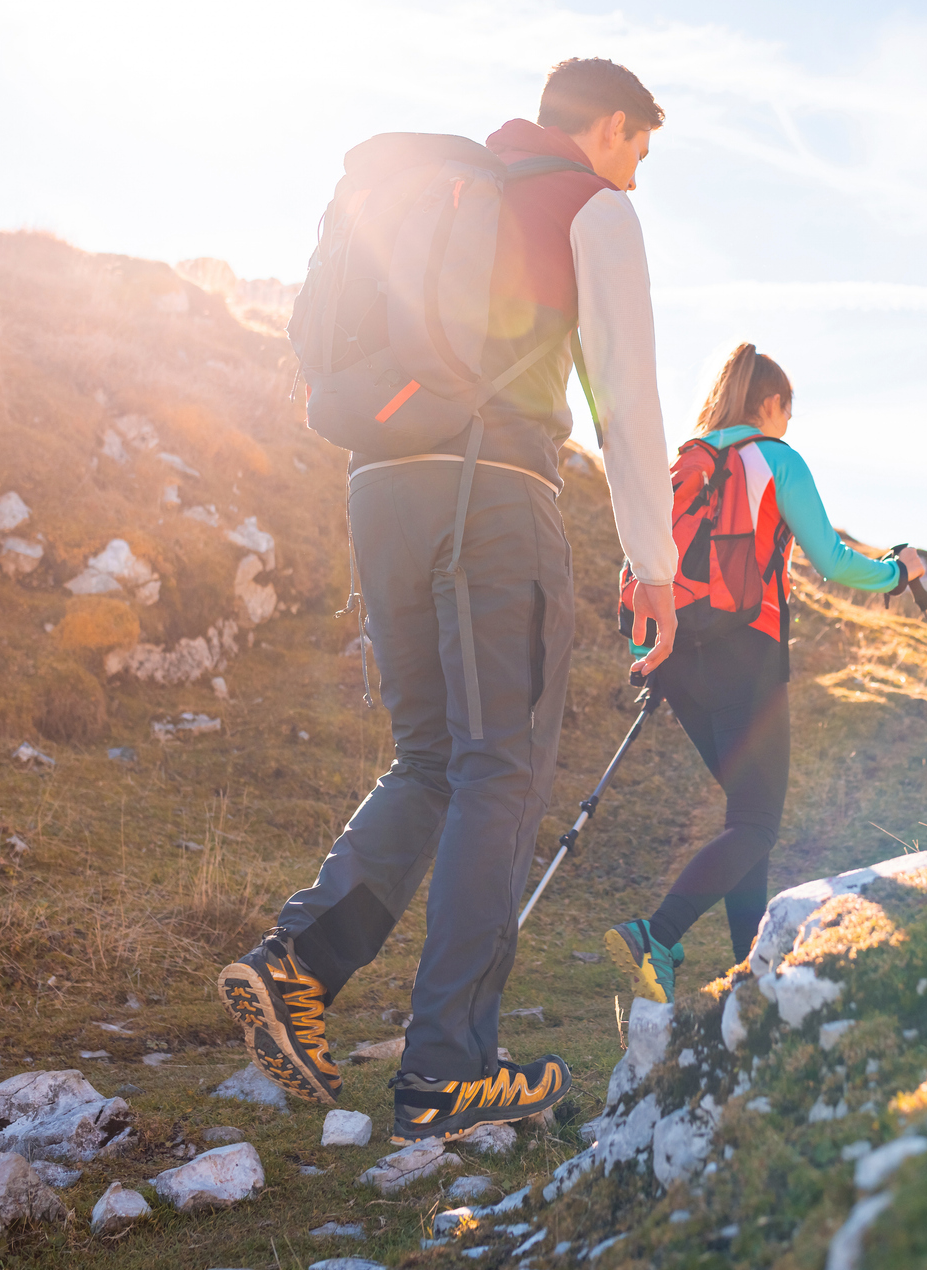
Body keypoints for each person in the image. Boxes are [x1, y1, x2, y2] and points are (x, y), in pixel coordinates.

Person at [218, 58, 683, 1142]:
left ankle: (297, 963)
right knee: (500, 769)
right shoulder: (588, 205)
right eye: (640, 151)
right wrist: (649, 562)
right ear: (607, 126)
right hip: (493, 492)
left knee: (430, 756)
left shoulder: (438, 192)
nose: (637, 177)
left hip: (378, 487)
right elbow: (627, 393)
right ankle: (448, 1067)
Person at [605, 344, 924, 1002]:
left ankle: (752, 973)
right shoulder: (776, 460)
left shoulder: (684, 466)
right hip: (745, 654)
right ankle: (656, 935)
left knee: (744, 822)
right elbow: (832, 561)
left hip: (674, 657)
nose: (787, 424)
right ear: (772, 403)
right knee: (755, 823)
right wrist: (897, 572)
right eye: (788, 411)